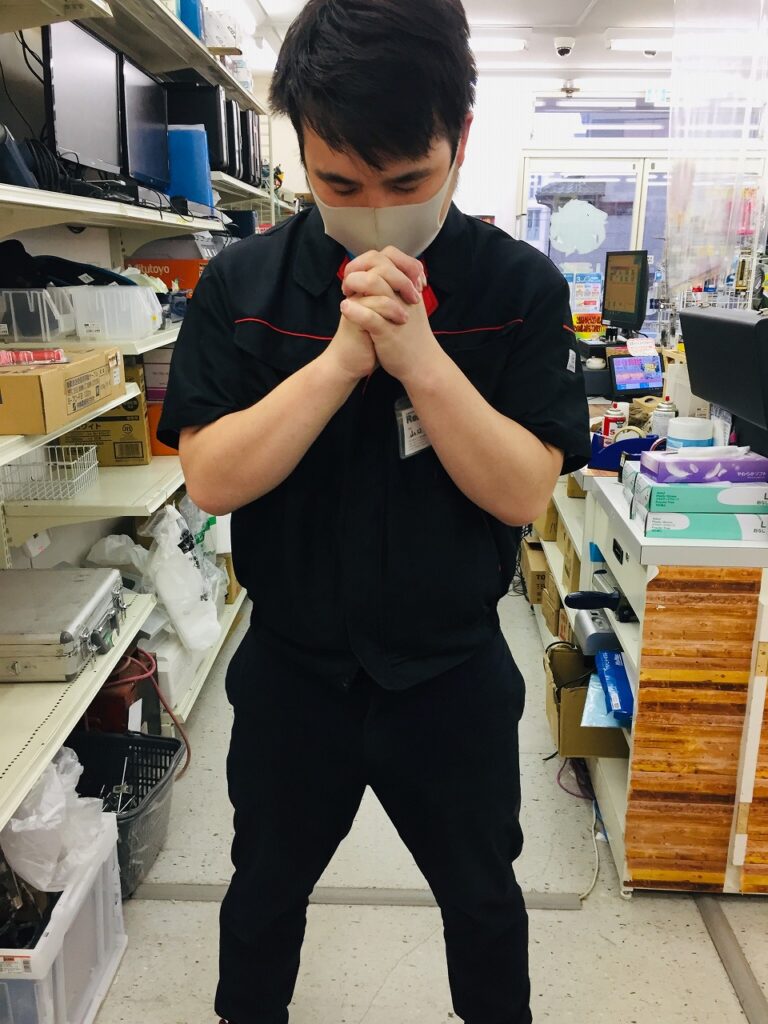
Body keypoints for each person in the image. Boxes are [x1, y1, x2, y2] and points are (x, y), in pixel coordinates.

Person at [158, 1, 592, 1021]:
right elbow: (211, 477)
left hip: (450, 674)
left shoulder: (521, 288)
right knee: (262, 898)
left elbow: (523, 490)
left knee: (484, 905)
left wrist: (421, 360)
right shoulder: (242, 283)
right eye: (340, 185)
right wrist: (341, 361)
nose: (377, 212)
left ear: (460, 141)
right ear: (302, 150)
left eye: (408, 182)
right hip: (294, 671)